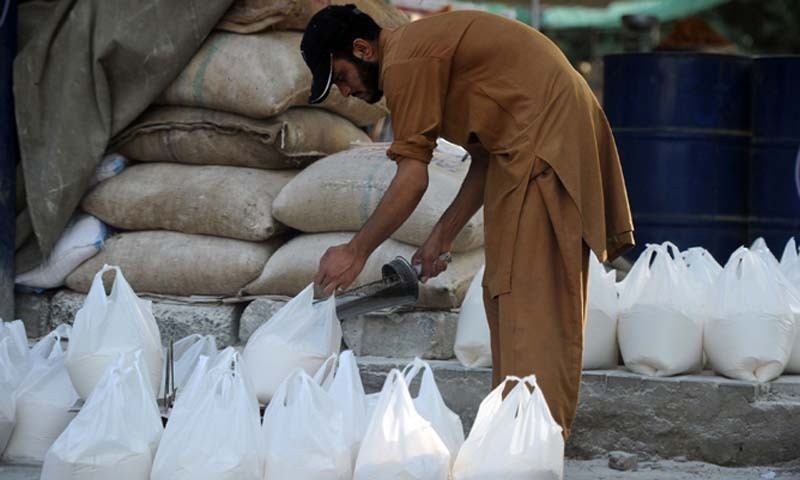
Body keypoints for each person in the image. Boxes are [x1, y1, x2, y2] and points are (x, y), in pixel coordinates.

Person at [301, 5, 634, 438]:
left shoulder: (405, 63)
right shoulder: (416, 53)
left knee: (532, 300)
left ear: (363, 49)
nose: (345, 92)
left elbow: (412, 178)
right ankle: (514, 432)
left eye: (341, 77)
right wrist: (441, 237)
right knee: (504, 293)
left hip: (546, 142)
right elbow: (483, 155)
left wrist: (355, 252)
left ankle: (533, 443)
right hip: (524, 145)